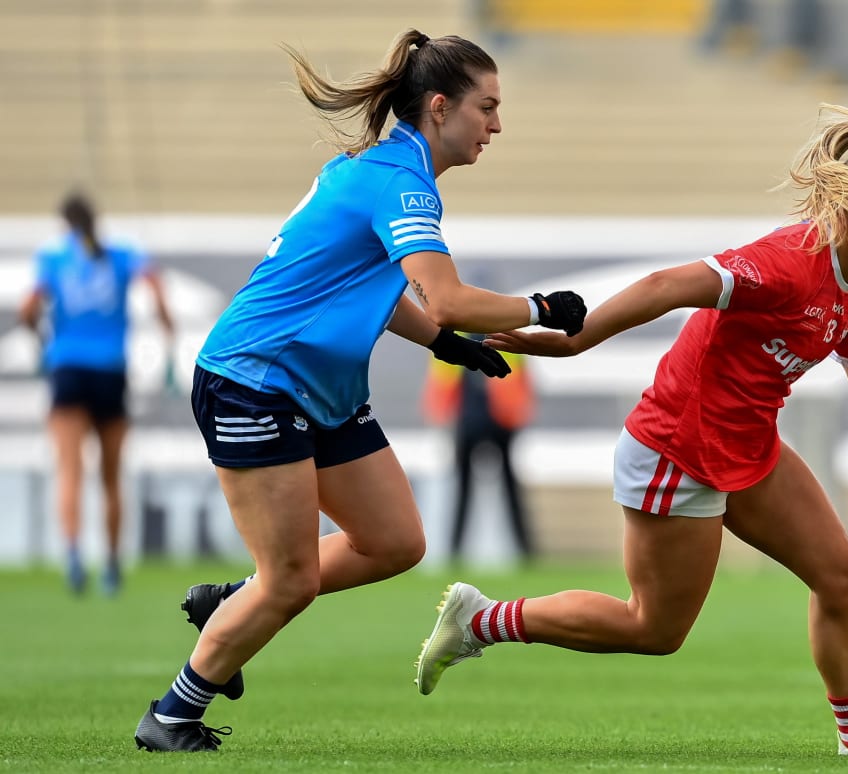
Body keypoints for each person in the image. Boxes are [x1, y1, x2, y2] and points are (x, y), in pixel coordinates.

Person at [414, 104, 848, 759]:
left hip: (749, 448)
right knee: (653, 628)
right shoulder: (787, 265)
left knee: (841, 575)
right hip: (676, 450)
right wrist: (576, 340)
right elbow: (669, 283)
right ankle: (482, 620)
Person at [132, 29, 587, 753]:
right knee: (289, 581)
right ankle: (173, 714)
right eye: (487, 108)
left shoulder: (382, 170)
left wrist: (443, 346)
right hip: (257, 382)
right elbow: (447, 297)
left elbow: (380, 290)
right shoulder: (398, 182)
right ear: (439, 107)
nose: (497, 126)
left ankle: (232, 603)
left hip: (319, 389)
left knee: (396, 542)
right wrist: (540, 309)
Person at [18, 192, 175, 597]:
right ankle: (109, 563)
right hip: (110, 371)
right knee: (110, 477)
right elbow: (155, 286)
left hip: (67, 368)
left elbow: (28, 307)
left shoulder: (54, 259)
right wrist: (168, 335)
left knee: (69, 470)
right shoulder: (120, 254)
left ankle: (72, 554)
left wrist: (39, 340)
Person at [422, 332, 537, 562]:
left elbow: (521, 381)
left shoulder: (453, 337)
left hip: (494, 420)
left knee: (494, 488)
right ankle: (457, 551)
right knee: (478, 489)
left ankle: (523, 551)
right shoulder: (498, 336)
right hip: (476, 421)